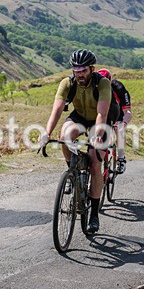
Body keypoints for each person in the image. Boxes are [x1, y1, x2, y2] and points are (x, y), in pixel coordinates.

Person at [40, 49, 115, 233]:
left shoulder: (102, 83)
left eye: (83, 71)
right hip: (80, 117)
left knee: (96, 162)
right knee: (65, 138)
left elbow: (101, 113)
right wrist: (47, 132)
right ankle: (73, 171)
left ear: (92, 69)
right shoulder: (67, 83)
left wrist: (97, 135)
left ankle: (94, 214)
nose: (80, 74)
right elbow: (57, 110)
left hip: (100, 121)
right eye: (76, 70)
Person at [96, 69, 132, 173]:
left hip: (118, 113)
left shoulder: (119, 88)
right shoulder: (95, 89)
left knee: (119, 130)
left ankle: (121, 159)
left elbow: (128, 112)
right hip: (102, 114)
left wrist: (123, 123)